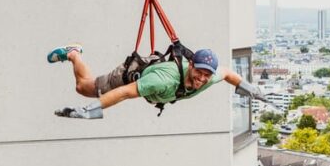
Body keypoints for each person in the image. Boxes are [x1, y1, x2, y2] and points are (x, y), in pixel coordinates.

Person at [47, 44, 266, 119]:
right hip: (128, 75)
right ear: (191, 65)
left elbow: (227, 73)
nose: (202, 78)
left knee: (85, 87)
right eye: (199, 72)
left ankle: (75, 54)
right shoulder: (162, 81)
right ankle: (74, 53)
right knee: (83, 87)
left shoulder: (209, 78)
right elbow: (124, 92)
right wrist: (90, 110)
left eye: (206, 75)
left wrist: (250, 89)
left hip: (150, 77)